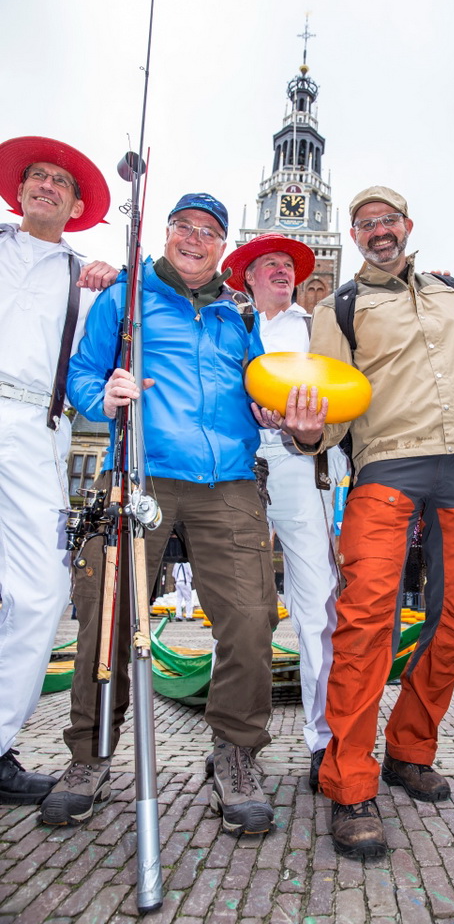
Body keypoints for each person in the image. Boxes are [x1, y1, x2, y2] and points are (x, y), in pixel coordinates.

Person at [254, 186, 454, 858]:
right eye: (365, 224)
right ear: (355, 235)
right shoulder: (338, 306)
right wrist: (308, 435)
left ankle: (408, 748)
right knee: (366, 622)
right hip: (387, 467)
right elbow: (329, 404)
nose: (378, 232)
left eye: (387, 220)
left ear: (407, 226)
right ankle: (348, 781)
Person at [39, 193, 278, 837]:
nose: (194, 239)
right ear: (167, 233)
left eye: (209, 231)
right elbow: (82, 373)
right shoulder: (126, 295)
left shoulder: (241, 314)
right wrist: (105, 394)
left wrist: (276, 412)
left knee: (253, 620)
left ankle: (233, 755)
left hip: (228, 480)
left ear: (223, 245)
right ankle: (88, 759)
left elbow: (260, 391)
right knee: (107, 617)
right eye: (183, 228)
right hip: (140, 469)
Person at [0, 135, 116, 805]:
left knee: (42, 594)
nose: (47, 186)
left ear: (74, 206)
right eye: (37, 176)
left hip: (34, 428)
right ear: (19, 190)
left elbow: (93, 373)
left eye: (60, 183)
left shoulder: (86, 277)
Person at [222, 233, 348, 791]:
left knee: (318, 604)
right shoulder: (226, 323)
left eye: (287, 265)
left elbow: (347, 398)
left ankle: (325, 740)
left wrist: (308, 429)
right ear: (245, 277)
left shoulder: (320, 327)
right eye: (267, 263)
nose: (279, 271)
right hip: (234, 466)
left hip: (303, 464)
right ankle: (235, 743)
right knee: (241, 608)